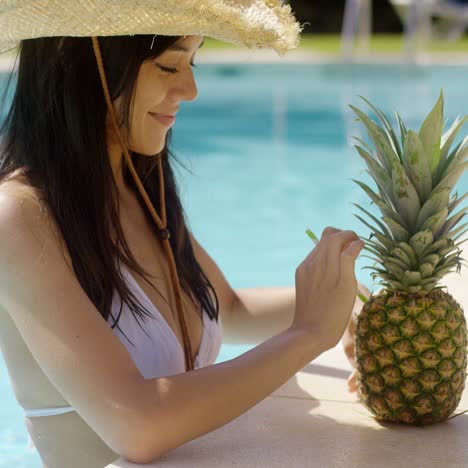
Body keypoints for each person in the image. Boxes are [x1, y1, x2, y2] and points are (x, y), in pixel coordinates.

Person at [0, 1, 367, 467]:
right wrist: (308, 334)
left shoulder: (138, 184)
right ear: (78, 66)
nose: (190, 89)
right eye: (168, 65)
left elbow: (225, 310)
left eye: (191, 63)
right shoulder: (18, 218)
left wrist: (342, 300)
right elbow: (136, 425)